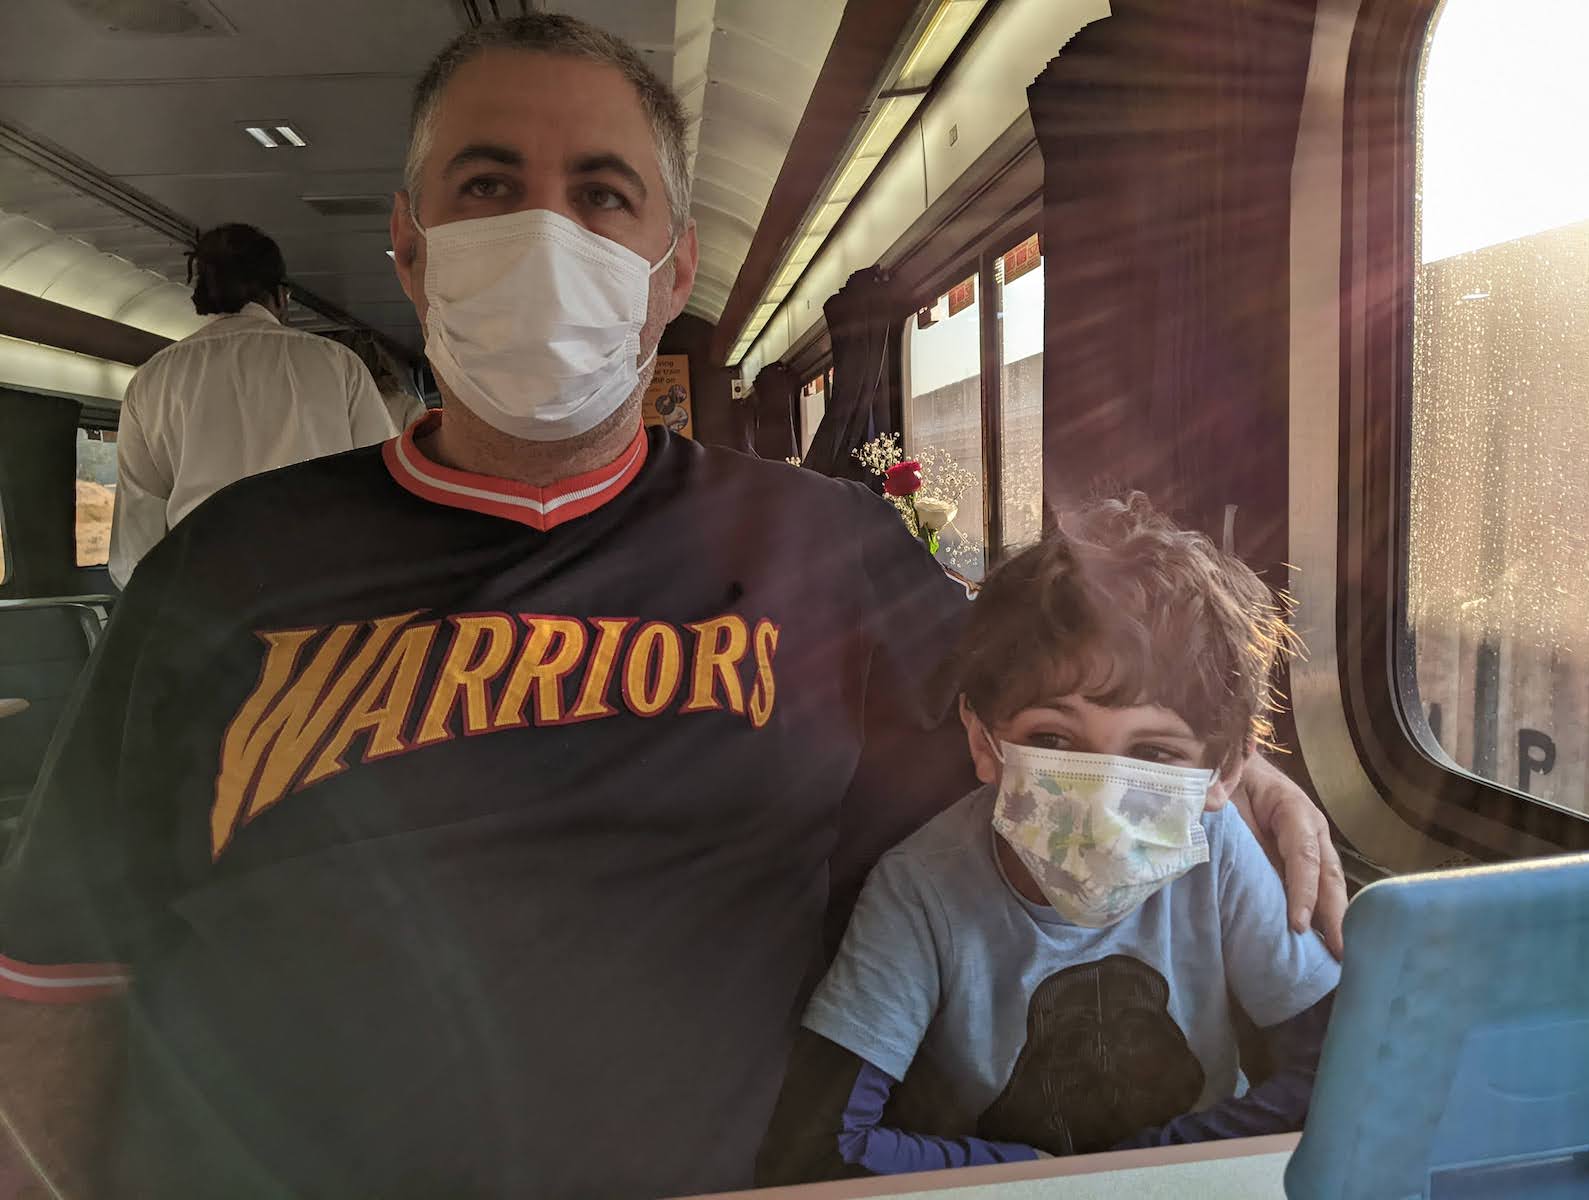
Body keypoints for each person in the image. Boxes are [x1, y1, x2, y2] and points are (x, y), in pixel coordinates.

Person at [0, 15, 1346, 1200]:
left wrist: (1253, 776)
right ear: (410, 250)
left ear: (670, 269)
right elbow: (56, 976)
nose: (545, 233)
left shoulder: (824, 548)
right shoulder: (228, 565)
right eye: (487, 187)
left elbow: (1073, 692)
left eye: (602, 195)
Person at [757, 496, 1341, 1183]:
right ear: (984, 742)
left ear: (1227, 771)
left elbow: (1335, 1068)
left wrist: (1136, 1170)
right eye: (1053, 741)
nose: (1101, 789)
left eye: (1153, 754)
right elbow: (822, 1138)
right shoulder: (921, 888)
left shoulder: (1219, 851)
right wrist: (1032, 1174)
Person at [106, 223, 396, 588]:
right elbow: (383, 484)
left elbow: (138, 528)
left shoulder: (152, 379)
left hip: (206, 594)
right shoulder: (335, 363)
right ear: (281, 296)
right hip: (318, 587)